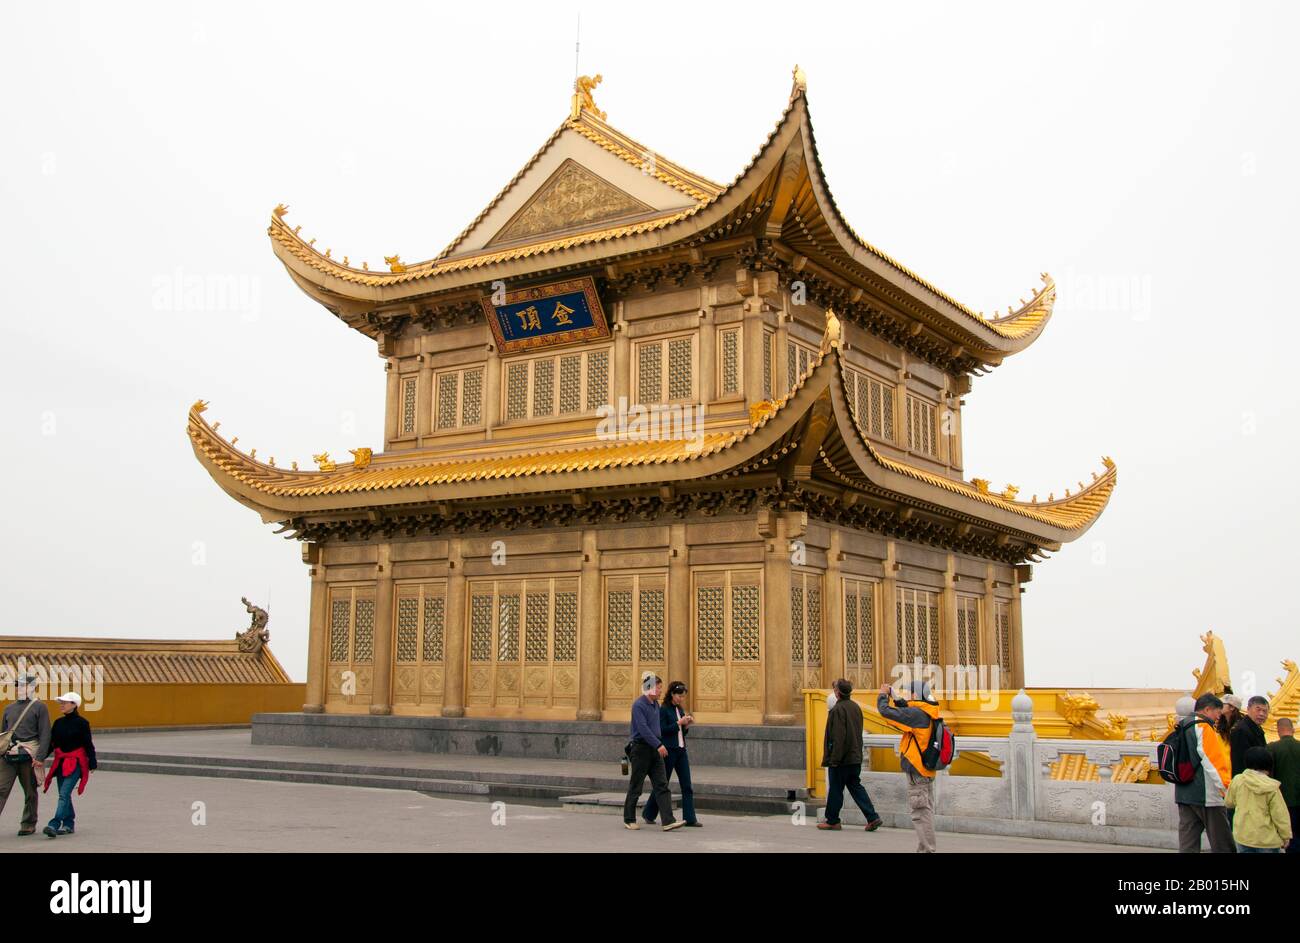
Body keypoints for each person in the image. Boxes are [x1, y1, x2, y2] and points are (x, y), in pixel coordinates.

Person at [877, 680, 940, 852]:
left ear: (914, 695)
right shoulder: (928, 710)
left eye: (909, 693)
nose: (907, 697)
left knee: (920, 813)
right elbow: (906, 710)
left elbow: (886, 712)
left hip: (917, 770)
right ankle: (924, 849)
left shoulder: (917, 715)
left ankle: (928, 850)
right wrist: (894, 696)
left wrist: (883, 695)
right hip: (926, 770)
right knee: (925, 811)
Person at [817, 679, 884, 833]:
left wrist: (834, 759)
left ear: (837, 692)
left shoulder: (837, 710)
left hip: (842, 759)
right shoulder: (855, 707)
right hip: (854, 756)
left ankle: (832, 820)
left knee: (835, 789)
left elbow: (838, 737)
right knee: (855, 787)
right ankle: (872, 817)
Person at [622, 672, 683, 832]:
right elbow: (643, 729)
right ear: (648, 688)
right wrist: (658, 744)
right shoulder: (639, 705)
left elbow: (656, 729)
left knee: (662, 784)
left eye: (661, 688)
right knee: (636, 785)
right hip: (641, 749)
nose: (660, 691)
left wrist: (659, 743)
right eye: (658, 687)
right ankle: (629, 819)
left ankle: (668, 820)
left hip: (655, 749)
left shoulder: (656, 705)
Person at [1174, 693, 1233, 853]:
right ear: (1207, 709)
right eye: (1218, 713)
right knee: (1222, 843)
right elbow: (1212, 761)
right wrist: (1226, 789)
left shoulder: (1182, 724)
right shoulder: (1203, 727)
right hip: (1206, 795)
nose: (1218, 717)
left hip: (1183, 792)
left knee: (1188, 843)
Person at [0, 673, 52, 837]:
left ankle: (28, 823)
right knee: (1, 788)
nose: (19, 688)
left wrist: (40, 757)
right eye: (18, 685)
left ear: (32, 687)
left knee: (30, 791)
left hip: (29, 755)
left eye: (23, 685)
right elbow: (3, 733)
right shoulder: (8, 708)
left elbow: (45, 734)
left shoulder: (40, 707)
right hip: (9, 755)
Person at [642, 681, 700, 827]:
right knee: (663, 784)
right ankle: (649, 813)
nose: (681, 699)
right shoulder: (664, 709)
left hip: (681, 750)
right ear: (672, 694)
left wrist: (686, 725)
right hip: (668, 751)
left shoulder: (679, 709)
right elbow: (662, 730)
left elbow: (681, 732)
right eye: (679, 696)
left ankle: (690, 818)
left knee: (687, 785)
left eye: (683, 696)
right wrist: (678, 723)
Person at [42, 692, 97, 838]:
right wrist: (40, 758)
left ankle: (54, 824)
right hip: (60, 763)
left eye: (65, 702)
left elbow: (88, 744)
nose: (62, 705)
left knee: (64, 794)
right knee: (65, 795)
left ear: (74, 705)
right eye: (61, 702)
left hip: (76, 763)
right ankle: (68, 824)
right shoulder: (58, 723)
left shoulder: (82, 723)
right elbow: (51, 744)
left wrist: (92, 762)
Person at [1225, 746, 1292, 853]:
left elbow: (1229, 803)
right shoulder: (1272, 786)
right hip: (1267, 840)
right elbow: (1280, 814)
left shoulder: (1238, 780)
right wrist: (1285, 835)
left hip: (1243, 836)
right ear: (1269, 765)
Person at [1267, 716, 1299, 853]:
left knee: (1289, 836)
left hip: (1282, 800)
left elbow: (1268, 775)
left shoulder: (1272, 748)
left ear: (1278, 730)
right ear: (1293, 729)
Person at [1229, 696, 1269, 777]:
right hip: (1247, 781)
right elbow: (1240, 762)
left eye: (1265, 711)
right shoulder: (1241, 730)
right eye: (1258, 710)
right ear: (1248, 709)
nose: (1261, 714)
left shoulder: (1257, 728)